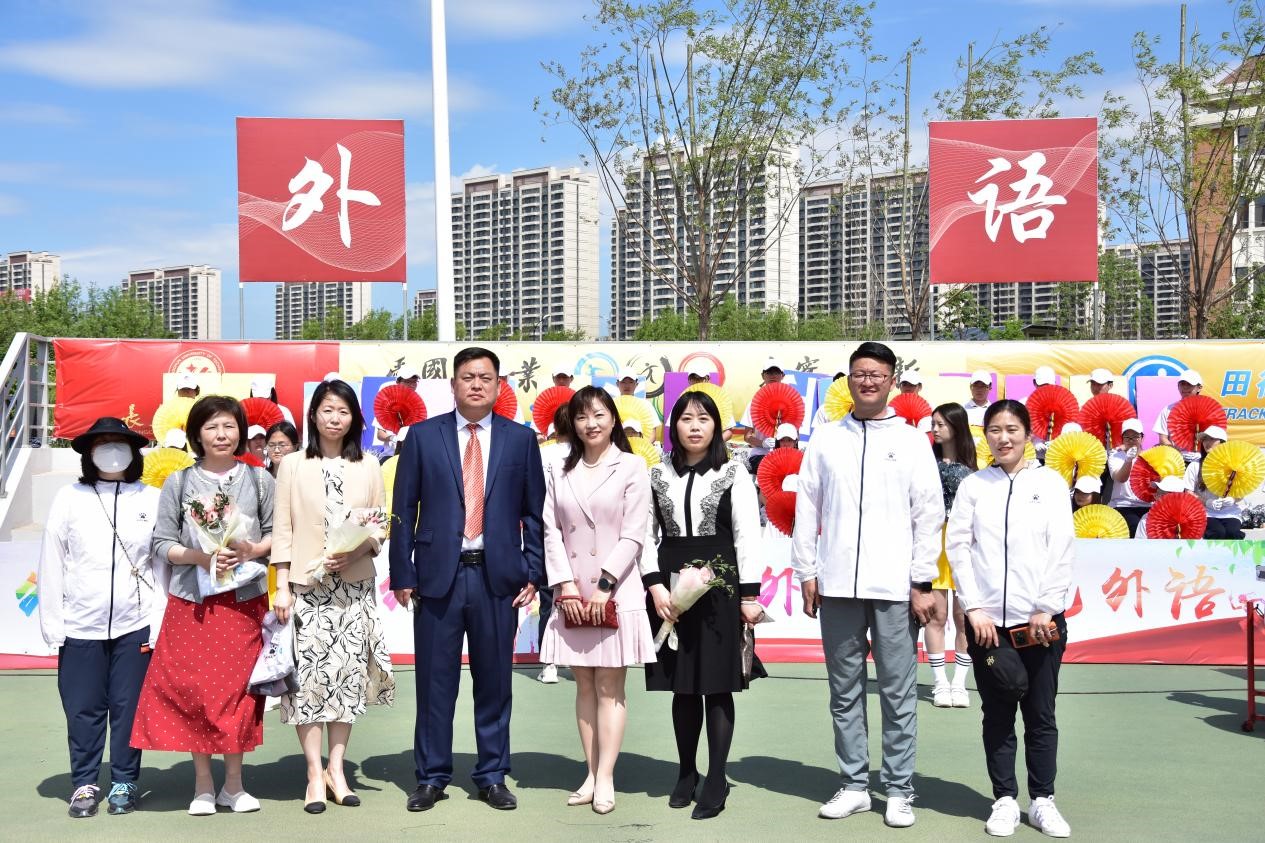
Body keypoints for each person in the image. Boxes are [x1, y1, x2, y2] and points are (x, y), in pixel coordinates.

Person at [791, 341, 943, 829]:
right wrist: (807, 571)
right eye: (860, 373)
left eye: (877, 373)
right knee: (844, 689)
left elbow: (929, 514)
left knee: (898, 691)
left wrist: (922, 580)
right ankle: (855, 784)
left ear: (892, 380)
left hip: (895, 586)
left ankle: (899, 789)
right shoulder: (826, 438)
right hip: (836, 582)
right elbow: (807, 507)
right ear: (849, 380)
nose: (868, 381)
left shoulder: (913, 441)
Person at [389, 347, 545, 813]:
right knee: (434, 683)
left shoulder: (520, 440)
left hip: (498, 578)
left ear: (498, 386)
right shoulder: (423, 436)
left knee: (495, 682)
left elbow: (533, 513)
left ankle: (493, 774)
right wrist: (403, 572)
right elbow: (403, 509)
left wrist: (533, 571)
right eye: (467, 377)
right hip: (438, 577)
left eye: (485, 377)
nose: (476, 384)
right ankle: (431, 776)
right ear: (453, 384)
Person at [131, 395, 274, 816]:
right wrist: (200, 557)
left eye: (229, 426)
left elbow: (277, 535)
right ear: (196, 434)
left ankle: (234, 785)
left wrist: (251, 550)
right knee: (195, 691)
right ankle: (203, 786)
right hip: (193, 602)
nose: (221, 434)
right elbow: (161, 543)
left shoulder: (260, 479)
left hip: (243, 602)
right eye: (211, 427)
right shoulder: (178, 483)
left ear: (240, 431)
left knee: (237, 693)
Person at [946, 399, 1074, 839]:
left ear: (1028, 434)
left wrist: (1046, 606)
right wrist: (973, 607)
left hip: (1041, 623)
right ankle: (1003, 799)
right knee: (997, 713)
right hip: (988, 627)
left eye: (1012, 430)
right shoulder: (974, 486)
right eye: (994, 430)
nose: (1003, 438)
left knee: (1041, 713)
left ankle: (1042, 800)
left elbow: (1061, 547)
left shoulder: (1050, 483)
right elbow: (958, 547)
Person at [271, 378, 394, 814]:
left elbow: (379, 526)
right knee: (307, 682)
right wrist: (280, 586)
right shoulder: (292, 465)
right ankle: (313, 773)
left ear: (354, 418)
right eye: (327, 410)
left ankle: (337, 770)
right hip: (306, 588)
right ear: (313, 415)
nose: (335, 418)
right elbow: (282, 528)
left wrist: (356, 551)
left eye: (343, 411)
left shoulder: (369, 465)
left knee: (345, 678)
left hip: (353, 587)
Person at [642, 390, 765, 820]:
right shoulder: (656, 473)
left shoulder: (734, 472)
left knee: (716, 684)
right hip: (670, 587)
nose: (694, 426)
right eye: (686, 418)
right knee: (682, 685)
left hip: (720, 585)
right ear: (673, 426)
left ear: (716, 426)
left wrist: (749, 596)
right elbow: (644, 535)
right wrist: (655, 587)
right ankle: (685, 771)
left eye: (704, 418)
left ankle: (716, 776)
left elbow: (748, 534)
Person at [538, 386, 654, 815]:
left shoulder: (632, 466)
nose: (591, 424)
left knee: (610, 686)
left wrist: (604, 585)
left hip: (615, 591)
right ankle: (589, 773)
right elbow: (550, 529)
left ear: (613, 419)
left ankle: (606, 776)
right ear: (572, 422)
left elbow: (634, 533)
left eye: (599, 414)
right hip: (571, 594)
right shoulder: (558, 468)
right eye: (582, 416)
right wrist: (565, 584)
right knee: (584, 684)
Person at [39, 417, 161, 818]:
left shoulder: (151, 498)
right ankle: (85, 783)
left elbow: (161, 564)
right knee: (83, 708)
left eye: (118, 441)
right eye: (102, 442)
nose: (111, 449)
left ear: (134, 451)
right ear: (88, 453)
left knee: (129, 707)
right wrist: (53, 622)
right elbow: (52, 560)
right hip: (80, 622)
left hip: (135, 622)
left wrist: (157, 620)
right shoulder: (69, 498)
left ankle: (125, 781)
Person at [927, 403, 977, 709]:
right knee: (937, 615)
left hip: (962, 543)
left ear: (956, 427)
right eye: (933, 423)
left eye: (941, 424)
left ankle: (959, 683)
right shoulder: (926, 463)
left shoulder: (974, 469)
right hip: (933, 543)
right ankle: (939, 683)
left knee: (962, 617)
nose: (935, 429)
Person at [537, 403, 573, 685]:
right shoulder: (585, 452)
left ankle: (549, 662)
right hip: (572, 530)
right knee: (577, 595)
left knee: (548, 597)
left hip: (546, 528)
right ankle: (575, 658)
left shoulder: (542, 452)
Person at [1184, 426, 1245, 539]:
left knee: (1232, 533)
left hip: (1230, 513)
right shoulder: (1195, 465)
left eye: (1212, 439)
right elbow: (1188, 492)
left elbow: (1241, 491)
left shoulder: (1234, 465)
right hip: (1205, 512)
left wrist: (1233, 499)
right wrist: (1207, 502)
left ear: (1222, 443)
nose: (1207, 442)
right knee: (1217, 532)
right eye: (1205, 439)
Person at [735, 357, 787, 473]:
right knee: (770, 467)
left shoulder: (790, 402)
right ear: (763, 376)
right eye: (769, 372)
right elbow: (747, 436)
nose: (773, 376)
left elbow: (796, 435)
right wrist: (762, 443)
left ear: (782, 375)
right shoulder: (754, 403)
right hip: (760, 454)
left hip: (784, 454)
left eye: (776, 372)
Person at [1107, 419, 1149, 537]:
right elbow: (1120, 478)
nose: (1131, 441)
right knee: (1135, 526)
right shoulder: (1116, 456)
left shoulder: (1151, 456)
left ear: (1142, 438)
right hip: (1123, 504)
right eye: (1127, 437)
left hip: (1147, 505)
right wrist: (1128, 460)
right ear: (1122, 438)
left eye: (1135, 437)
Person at [1155, 370, 1202, 460]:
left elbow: (1213, 439)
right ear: (1178, 386)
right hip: (1176, 460)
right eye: (1182, 384)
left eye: (1189, 384)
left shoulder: (1208, 409)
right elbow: (1163, 438)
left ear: (1199, 388)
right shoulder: (1168, 410)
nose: (1185, 387)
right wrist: (1176, 453)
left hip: (1200, 459)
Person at [375, 365, 421, 456]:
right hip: (391, 455)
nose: (412, 385)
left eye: (414, 381)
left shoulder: (419, 405)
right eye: (407, 381)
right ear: (398, 382)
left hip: (413, 455)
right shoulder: (387, 404)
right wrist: (393, 438)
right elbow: (380, 434)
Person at [615, 366, 663, 442]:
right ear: (617, 384)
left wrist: (642, 447)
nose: (627, 385)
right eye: (623, 382)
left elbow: (652, 434)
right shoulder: (610, 404)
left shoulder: (646, 405)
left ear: (636, 384)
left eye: (631, 382)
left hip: (640, 447)